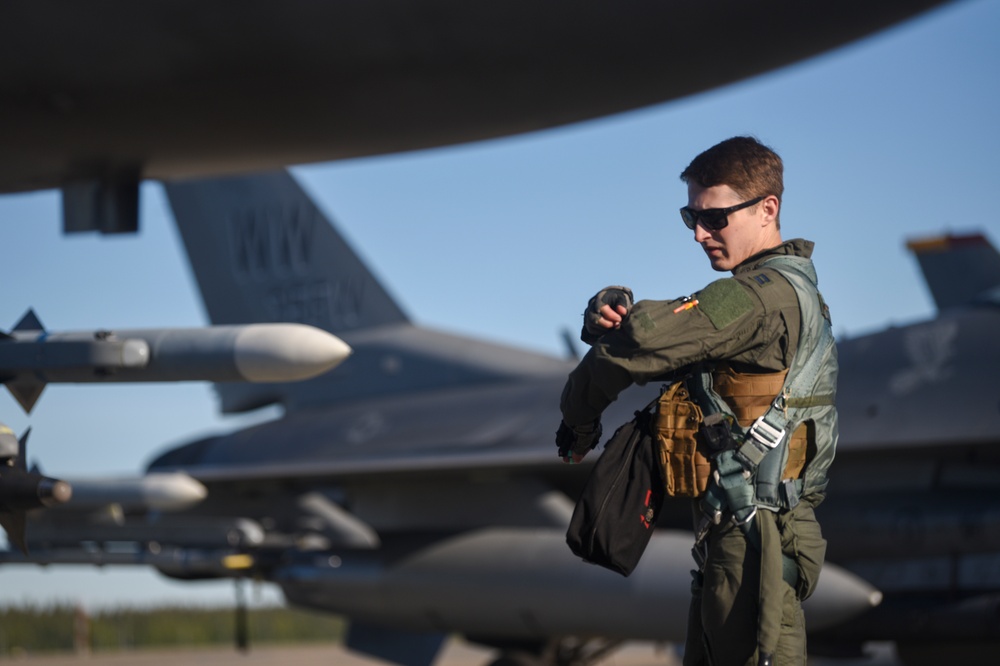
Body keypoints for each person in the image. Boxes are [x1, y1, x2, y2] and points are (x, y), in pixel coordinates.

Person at [556, 136, 838, 666]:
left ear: (767, 208)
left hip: (754, 537)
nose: (701, 235)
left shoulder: (759, 294)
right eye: (691, 218)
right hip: (744, 530)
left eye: (715, 218)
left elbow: (639, 344)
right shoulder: (789, 290)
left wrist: (579, 421)